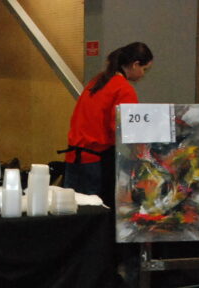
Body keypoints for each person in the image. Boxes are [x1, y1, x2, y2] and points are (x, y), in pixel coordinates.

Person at [62, 41, 152, 207]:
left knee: (74, 211)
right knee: (97, 212)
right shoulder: (124, 89)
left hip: (74, 156)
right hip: (95, 161)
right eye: (144, 69)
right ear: (135, 64)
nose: (143, 75)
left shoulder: (98, 81)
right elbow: (123, 129)